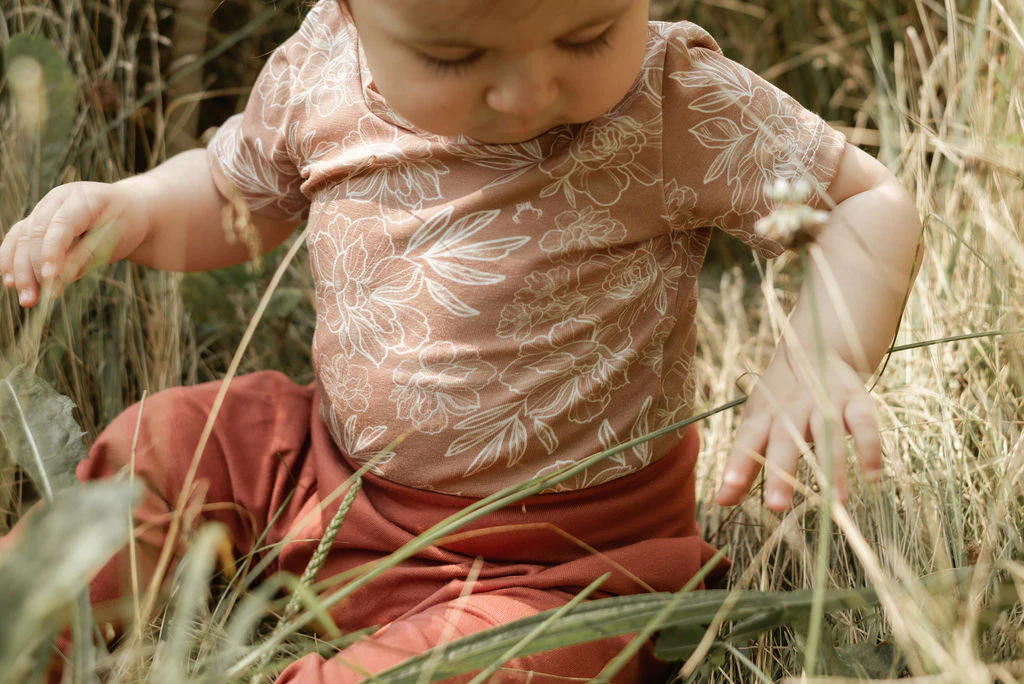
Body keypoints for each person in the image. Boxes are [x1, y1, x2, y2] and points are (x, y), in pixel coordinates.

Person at [0, 0, 923, 680]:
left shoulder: (670, 102)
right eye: (452, 55)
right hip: (324, 474)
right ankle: (34, 615)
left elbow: (865, 202)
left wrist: (822, 355)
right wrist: (129, 211)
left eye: (587, 35)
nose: (527, 89)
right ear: (355, 12)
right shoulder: (325, 68)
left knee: (509, 664)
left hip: (564, 561)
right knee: (174, 440)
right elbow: (233, 195)